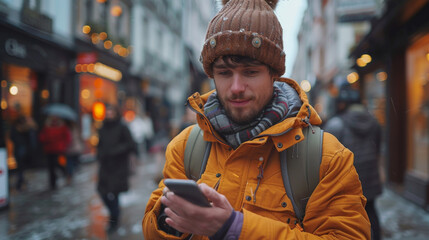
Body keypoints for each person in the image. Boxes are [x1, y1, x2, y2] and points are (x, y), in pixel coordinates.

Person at [142, 0, 371, 239]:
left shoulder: (327, 157)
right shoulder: (186, 145)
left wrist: (235, 228)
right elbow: (151, 228)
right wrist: (170, 220)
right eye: (224, 73)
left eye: (250, 72)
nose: (236, 87)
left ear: (274, 74)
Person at [324, 83, 383, 240]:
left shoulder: (336, 124)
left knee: (349, 217)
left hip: (349, 176)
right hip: (371, 174)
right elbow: (377, 147)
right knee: (371, 210)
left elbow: (327, 155)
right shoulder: (373, 120)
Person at [96, 104, 137, 233]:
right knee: (102, 191)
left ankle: (114, 219)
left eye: (111, 112)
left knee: (115, 192)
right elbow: (100, 144)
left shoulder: (122, 127)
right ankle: (115, 213)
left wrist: (116, 150)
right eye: (107, 112)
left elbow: (131, 144)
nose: (109, 115)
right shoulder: (102, 128)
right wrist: (100, 153)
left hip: (119, 166)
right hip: (105, 165)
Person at [39, 115, 71, 190]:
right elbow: (42, 137)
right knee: (51, 168)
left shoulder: (62, 127)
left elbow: (67, 137)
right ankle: (53, 183)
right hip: (49, 150)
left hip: (60, 150)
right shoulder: (47, 127)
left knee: (61, 164)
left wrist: (63, 145)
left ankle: (66, 175)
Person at [10, 115, 37, 190]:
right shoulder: (18, 129)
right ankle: (20, 182)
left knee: (21, 167)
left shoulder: (26, 128)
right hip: (20, 149)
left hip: (23, 149)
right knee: (21, 167)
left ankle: (20, 182)